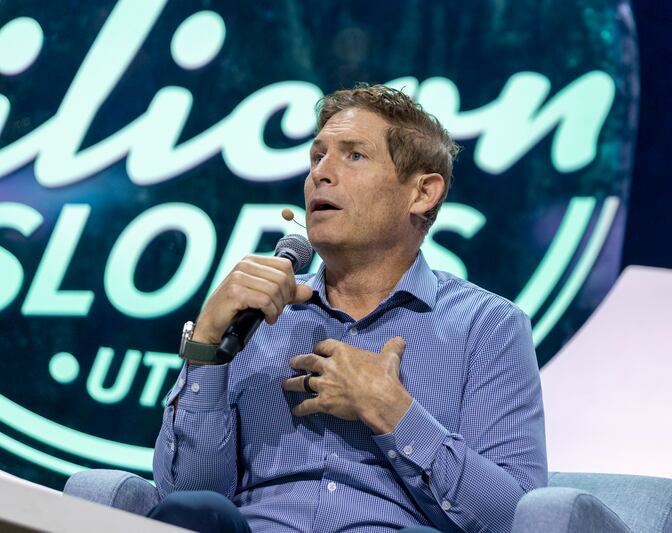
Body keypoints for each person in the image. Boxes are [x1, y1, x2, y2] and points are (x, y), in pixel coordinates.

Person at [152, 84, 547, 533]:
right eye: (316, 157)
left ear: (422, 193)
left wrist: (392, 412)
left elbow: (517, 519)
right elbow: (182, 498)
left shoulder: (489, 327)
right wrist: (206, 346)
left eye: (353, 155)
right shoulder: (256, 316)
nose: (321, 173)